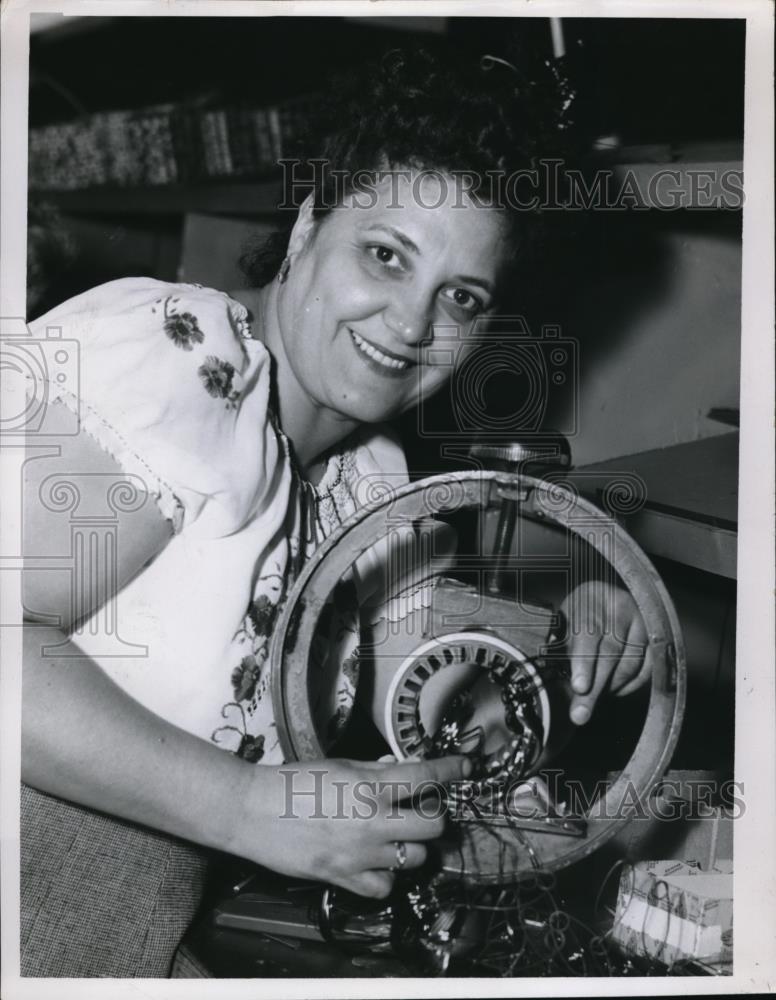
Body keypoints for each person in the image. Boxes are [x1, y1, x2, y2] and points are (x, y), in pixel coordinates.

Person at [16, 48, 650, 977]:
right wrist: (247, 808)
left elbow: (451, 719)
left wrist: (573, 644)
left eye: (460, 297)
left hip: (140, 921)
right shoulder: (182, 361)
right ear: (311, 221)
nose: (409, 322)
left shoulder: (373, 490)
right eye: (385, 255)